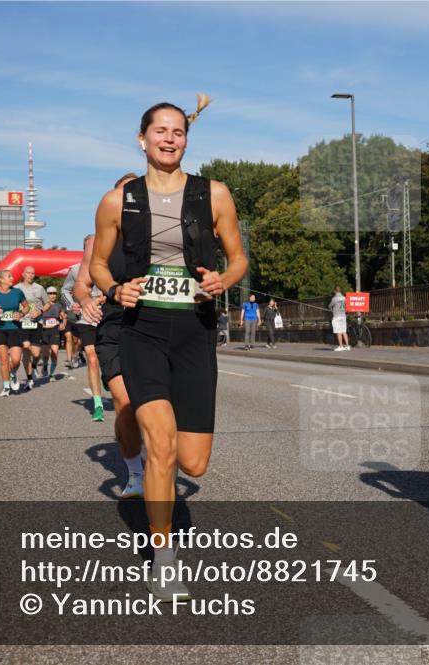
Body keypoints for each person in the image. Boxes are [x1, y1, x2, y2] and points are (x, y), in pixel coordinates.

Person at [89, 96, 247, 601]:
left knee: (193, 462)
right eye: (160, 130)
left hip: (196, 330)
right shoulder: (118, 200)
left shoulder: (214, 194)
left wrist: (224, 278)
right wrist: (115, 289)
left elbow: (239, 258)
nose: (169, 138)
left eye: (178, 131)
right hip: (142, 330)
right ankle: (164, 556)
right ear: (143, 139)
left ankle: (159, 487)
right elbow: (97, 265)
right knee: (161, 443)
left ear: (186, 139)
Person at [74, 172, 146, 498]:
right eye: (123, 194)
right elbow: (81, 284)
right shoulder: (97, 240)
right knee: (125, 402)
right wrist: (86, 300)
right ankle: (135, 473)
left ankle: (150, 452)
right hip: (115, 326)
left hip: (155, 326)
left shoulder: (158, 233)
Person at [62, 237, 106, 422]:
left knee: (109, 357)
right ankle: (98, 404)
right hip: (86, 318)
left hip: (109, 316)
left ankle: (110, 380)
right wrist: (72, 305)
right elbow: (65, 290)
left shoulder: (109, 265)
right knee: (92, 357)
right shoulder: (75, 270)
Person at [0, 269, 29, 397]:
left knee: (16, 360)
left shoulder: (17, 292)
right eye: (9, 276)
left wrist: (21, 313)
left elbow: (27, 307)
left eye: (11, 276)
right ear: (1, 280)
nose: (12, 278)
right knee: (4, 360)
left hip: (15, 328)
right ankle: (6, 386)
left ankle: (13, 373)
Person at [16, 265, 50, 391]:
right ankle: (29, 379)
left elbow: (47, 304)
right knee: (26, 347)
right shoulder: (16, 288)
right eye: (28, 273)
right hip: (23, 322)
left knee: (36, 353)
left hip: (37, 322)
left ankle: (34, 365)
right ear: (23, 274)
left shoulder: (39, 288)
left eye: (33, 273)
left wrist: (40, 311)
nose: (31, 275)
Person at [41, 286, 65, 381]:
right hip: (44, 331)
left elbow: (63, 316)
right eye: (50, 293)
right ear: (46, 295)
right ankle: (45, 365)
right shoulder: (42, 305)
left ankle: (51, 375)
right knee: (45, 355)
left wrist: (63, 323)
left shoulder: (59, 305)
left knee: (55, 353)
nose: (52, 295)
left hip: (55, 330)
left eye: (54, 293)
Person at [329, 286, 349, 351]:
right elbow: (347, 306)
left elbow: (330, 306)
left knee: (338, 332)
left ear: (335, 291)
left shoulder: (334, 299)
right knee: (344, 331)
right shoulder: (344, 298)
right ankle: (347, 346)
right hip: (343, 316)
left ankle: (340, 346)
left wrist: (332, 308)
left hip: (337, 316)